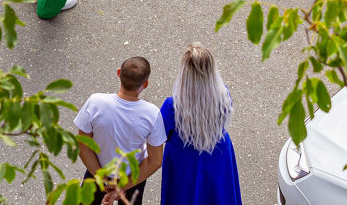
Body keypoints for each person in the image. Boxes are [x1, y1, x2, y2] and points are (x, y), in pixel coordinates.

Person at [75, 56, 167, 205]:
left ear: (119, 73)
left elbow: (83, 145)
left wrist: (104, 180)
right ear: (146, 84)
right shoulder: (152, 114)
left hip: (96, 171)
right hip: (133, 177)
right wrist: (122, 187)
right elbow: (155, 161)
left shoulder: (95, 102)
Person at [159, 43, 242, 205]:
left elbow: (160, 134)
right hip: (218, 154)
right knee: (219, 196)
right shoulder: (224, 95)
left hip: (184, 162)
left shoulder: (172, 105)